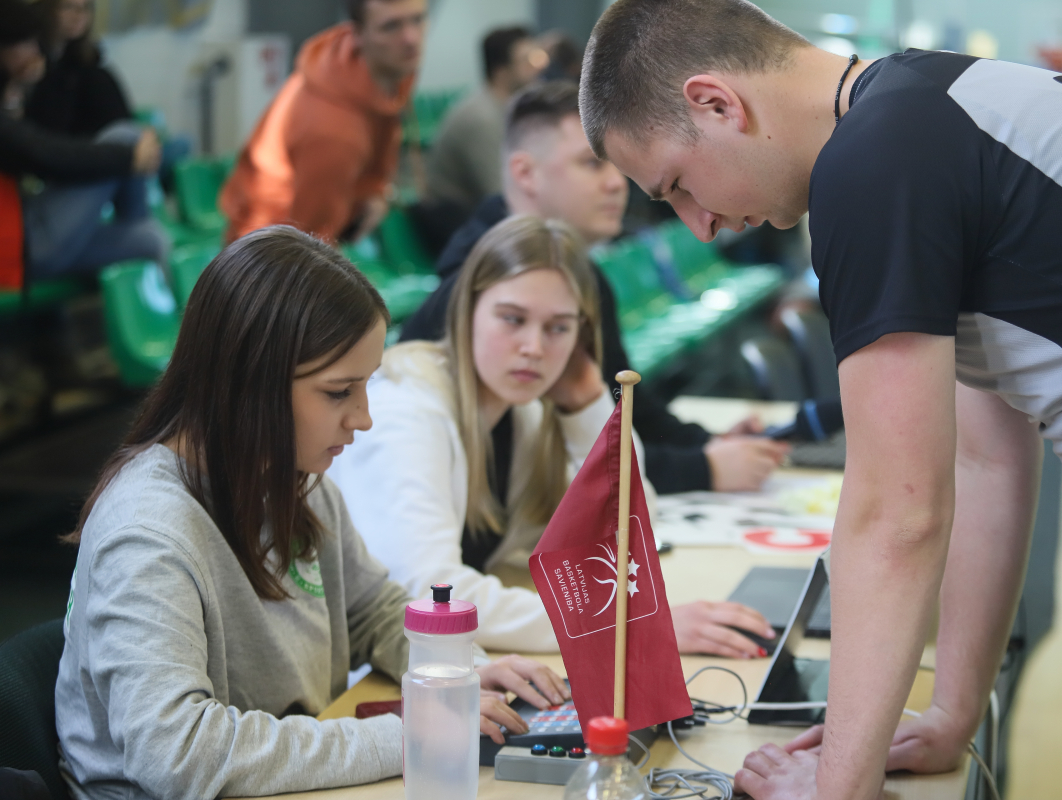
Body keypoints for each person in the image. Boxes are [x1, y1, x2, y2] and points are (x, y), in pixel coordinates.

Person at [579, 1, 1062, 799]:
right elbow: (984, 459)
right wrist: (948, 715)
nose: (698, 227)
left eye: (675, 186)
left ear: (716, 104)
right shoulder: (927, 105)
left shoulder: (872, 163)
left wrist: (838, 788)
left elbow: (897, 512)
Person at [54, 225, 569, 800]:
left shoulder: (292, 480)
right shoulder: (148, 533)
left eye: (366, 386)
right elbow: (176, 754)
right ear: (251, 383)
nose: (363, 417)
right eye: (338, 392)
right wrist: (405, 735)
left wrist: (451, 671)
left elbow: (372, 608)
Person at [331, 214, 776, 658]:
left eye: (558, 328)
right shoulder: (407, 410)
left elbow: (625, 534)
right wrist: (625, 625)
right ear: (467, 310)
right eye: (512, 319)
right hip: (375, 675)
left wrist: (587, 402)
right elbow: (432, 595)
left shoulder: (521, 409)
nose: (534, 347)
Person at [402, 80, 790, 495]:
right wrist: (701, 469)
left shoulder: (582, 273)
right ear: (525, 173)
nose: (617, 184)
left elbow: (623, 411)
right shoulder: (472, 294)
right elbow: (545, 460)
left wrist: (707, 443)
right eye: (591, 164)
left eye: (617, 167)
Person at [219, 0, 425, 244]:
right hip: (269, 251)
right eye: (390, 26)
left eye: (418, 19)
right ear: (357, 33)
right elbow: (311, 245)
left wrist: (375, 191)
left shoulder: (380, 71)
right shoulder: (335, 131)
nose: (411, 38)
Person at [0, 0, 165, 285]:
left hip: (31, 217)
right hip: (21, 246)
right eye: (27, 43)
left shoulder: (89, 71)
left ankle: (193, 329)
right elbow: (43, 153)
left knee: (151, 239)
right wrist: (128, 158)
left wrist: (15, 89)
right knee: (127, 138)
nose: (36, 52)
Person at [424, 26, 546, 217]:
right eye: (525, 61)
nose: (537, 67)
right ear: (501, 72)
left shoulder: (509, 108)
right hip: (457, 222)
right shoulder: (481, 119)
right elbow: (502, 195)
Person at [25, 0, 132, 138]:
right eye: (68, 7)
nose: (78, 15)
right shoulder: (28, 58)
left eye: (84, 8)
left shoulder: (87, 67)